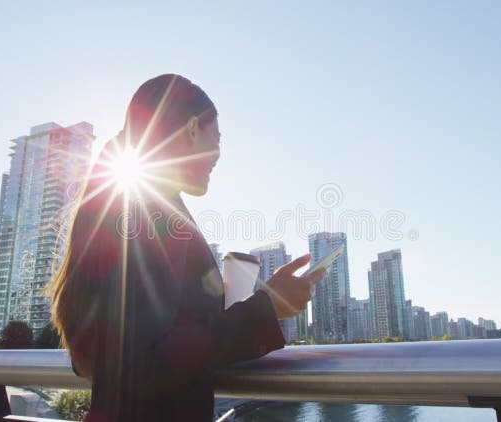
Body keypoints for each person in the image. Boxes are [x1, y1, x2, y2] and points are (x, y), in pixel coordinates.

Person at [48, 74, 326, 421]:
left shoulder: (123, 206)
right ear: (193, 128)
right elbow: (150, 357)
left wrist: (212, 302)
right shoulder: (152, 214)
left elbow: (126, 343)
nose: (219, 154)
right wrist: (267, 308)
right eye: (218, 137)